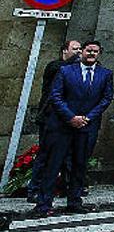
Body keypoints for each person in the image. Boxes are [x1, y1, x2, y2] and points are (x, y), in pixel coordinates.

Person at [31, 41, 113, 218]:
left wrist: (87, 118)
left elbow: (106, 99)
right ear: (82, 52)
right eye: (88, 50)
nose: (91, 54)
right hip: (62, 125)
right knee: (53, 164)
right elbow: (56, 96)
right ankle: (43, 204)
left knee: (79, 165)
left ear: (99, 53)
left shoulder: (105, 74)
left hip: (86, 126)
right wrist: (71, 117)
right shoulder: (65, 71)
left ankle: (74, 202)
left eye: (95, 51)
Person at [27, 40, 81, 202]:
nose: (79, 52)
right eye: (75, 49)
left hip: (67, 118)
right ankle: (34, 189)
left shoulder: (76, 69)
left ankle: (66, 187)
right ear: (65, 50)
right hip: (49, 117)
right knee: (45, 154)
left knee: (69, 155)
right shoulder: (55, 66)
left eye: (80, 49)